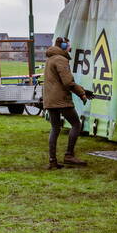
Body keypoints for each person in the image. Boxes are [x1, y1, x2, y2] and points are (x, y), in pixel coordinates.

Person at [43, 36, 94, 169]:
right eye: (68, 44)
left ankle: (52, 161)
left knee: (55, 128)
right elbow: (67, 82)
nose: (70, 46)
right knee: (76, 124)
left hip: (50, 99)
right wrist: (81, 94)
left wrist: (83, 90)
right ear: (64, 46)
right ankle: (69, 155)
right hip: (61, 100)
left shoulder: (51, 58)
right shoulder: (61, 59)